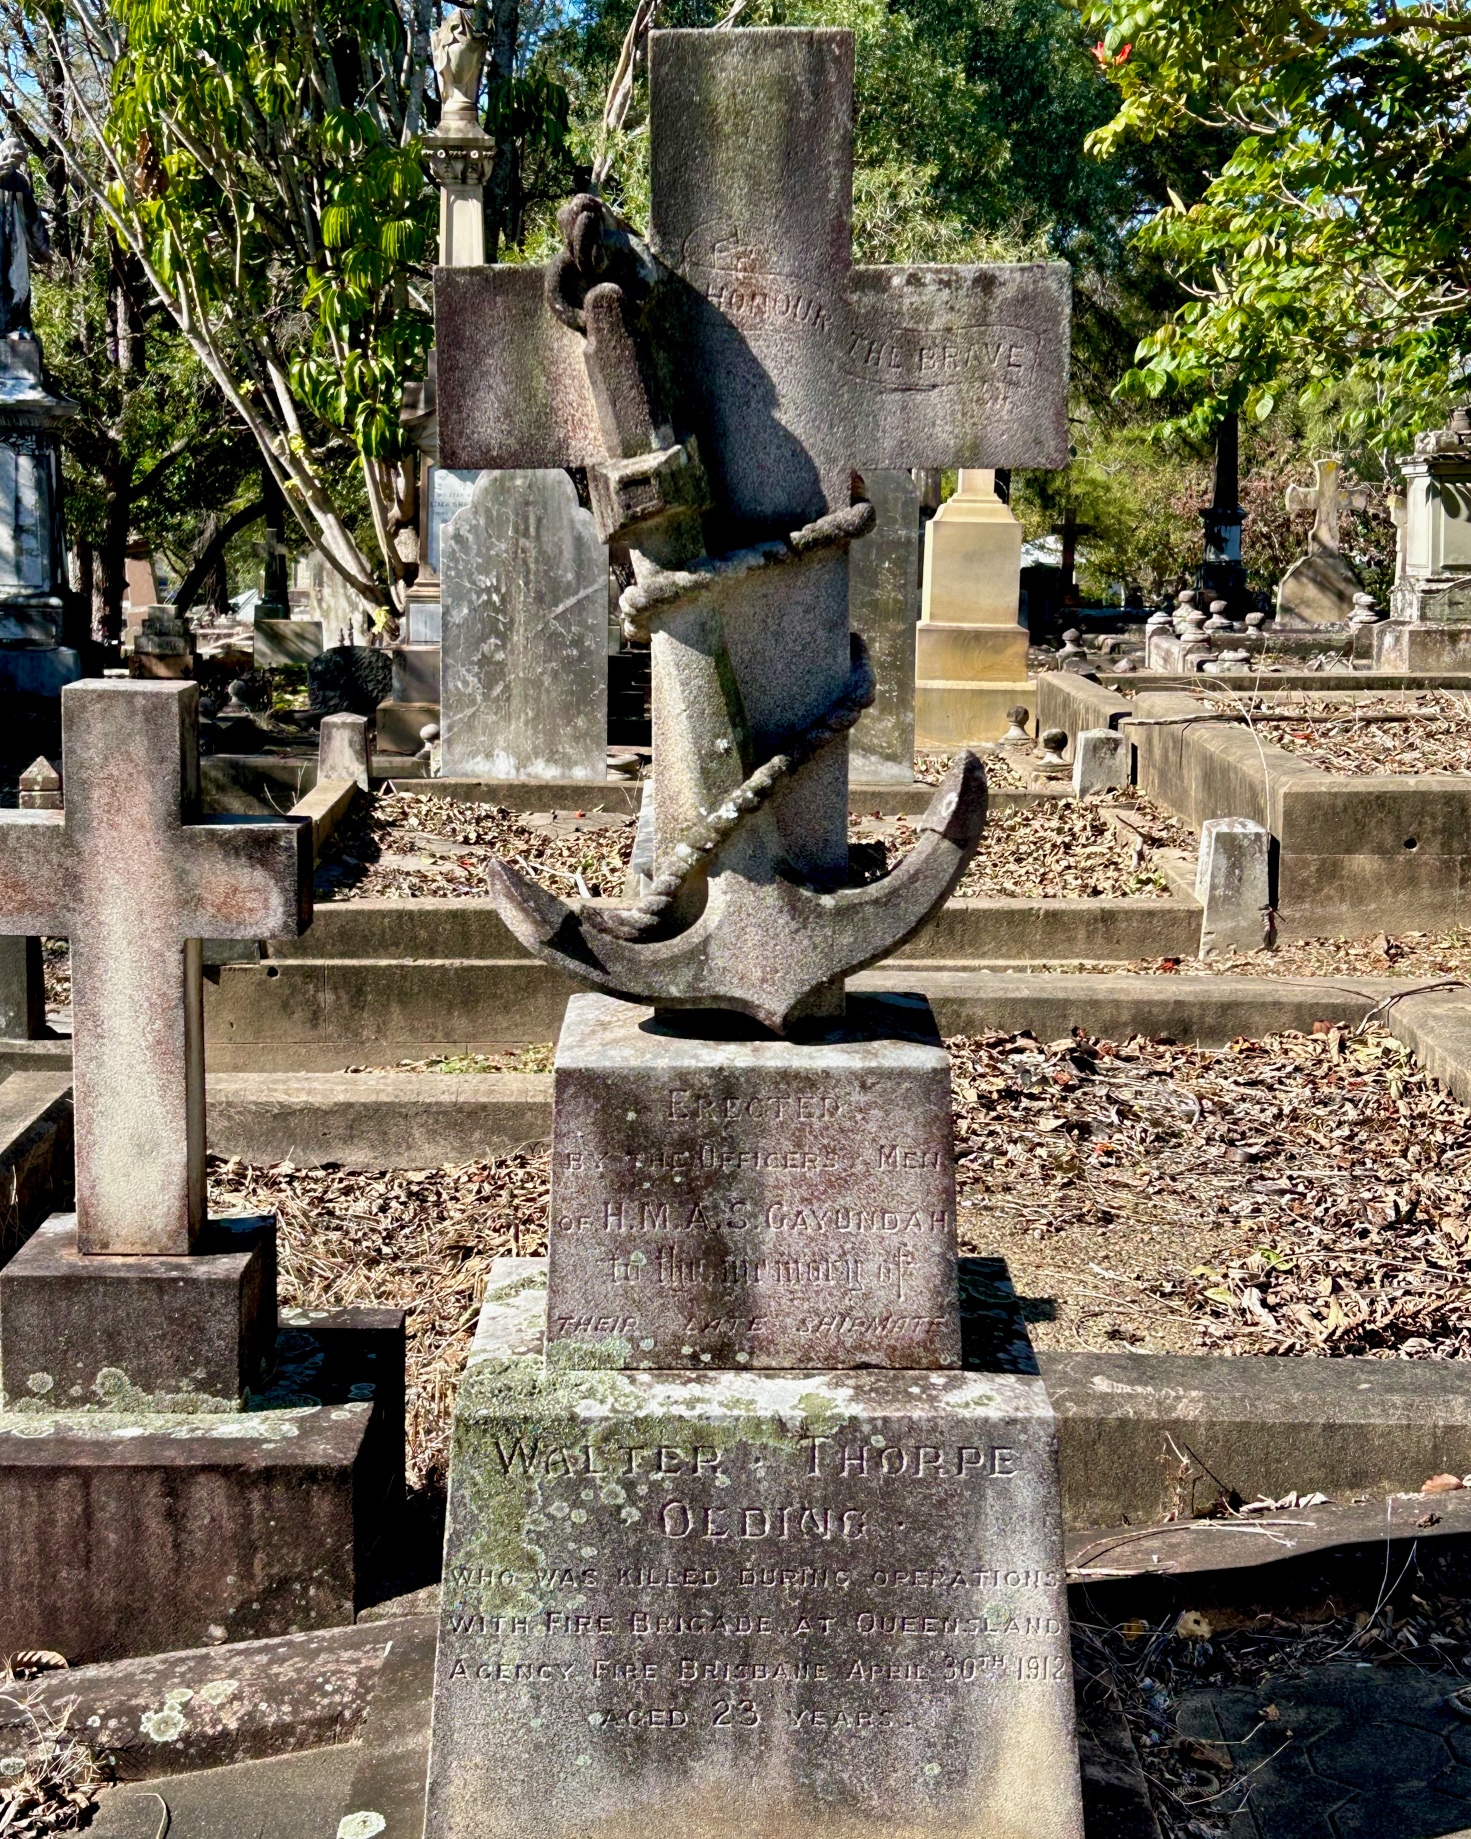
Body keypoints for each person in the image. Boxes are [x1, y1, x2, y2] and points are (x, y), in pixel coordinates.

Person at [0, 137, 49, 337]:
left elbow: (32, 215)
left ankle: (17, 325)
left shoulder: (20, 181)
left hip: (15, 241)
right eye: (17, 157)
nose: (20, 162)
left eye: (22, 158)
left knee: (19, 282)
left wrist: (42, 246)